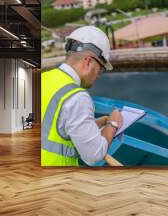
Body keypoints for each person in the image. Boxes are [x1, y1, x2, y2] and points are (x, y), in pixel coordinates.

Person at [41, 26, 123, 166]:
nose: (98, 74)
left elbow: (55, 127)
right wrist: (113, 123)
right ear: (88, 61)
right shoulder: (77, 97)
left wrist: (98, 123)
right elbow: (93, 155)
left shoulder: (44, 78)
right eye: (101, 68)